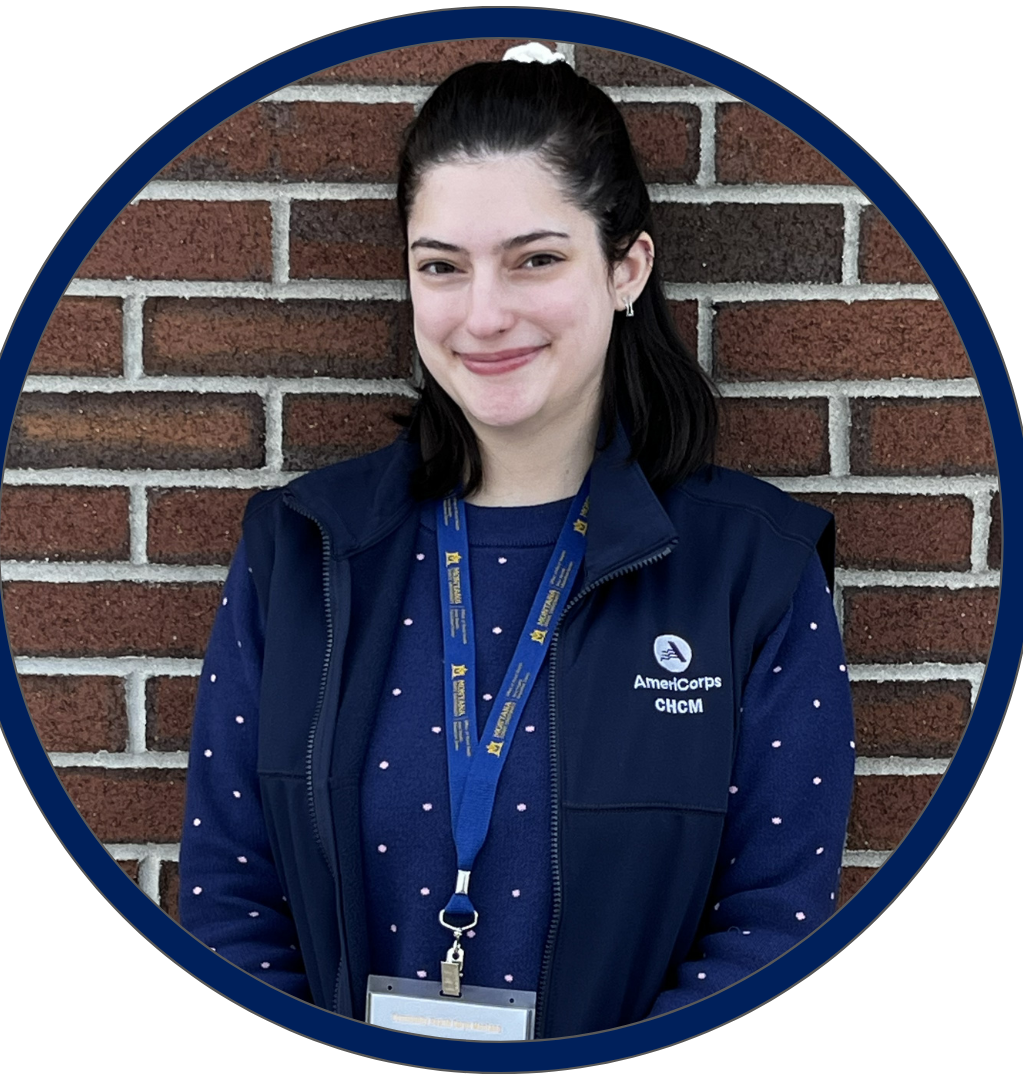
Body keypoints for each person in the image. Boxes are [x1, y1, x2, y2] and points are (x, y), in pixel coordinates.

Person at [179, 44, 855, 1040]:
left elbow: (775, 926)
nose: (484, 315)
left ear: (627, 269)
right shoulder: (300, 550)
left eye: (536, 259)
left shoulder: (753, 570)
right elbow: (230, 903)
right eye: (441, 267)